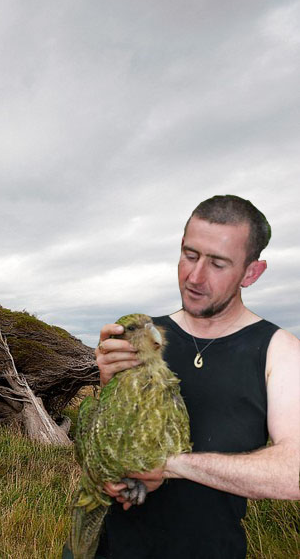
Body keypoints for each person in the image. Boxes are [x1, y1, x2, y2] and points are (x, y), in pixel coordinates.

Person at [93, 195, 300, 558]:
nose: (194, 277)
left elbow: (294, 472)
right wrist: (110, 388)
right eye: (190, 255)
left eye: (218, 264)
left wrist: (169, 465)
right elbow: (110, 441)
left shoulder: (278, 351)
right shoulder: (143, 337)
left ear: (251, 273)